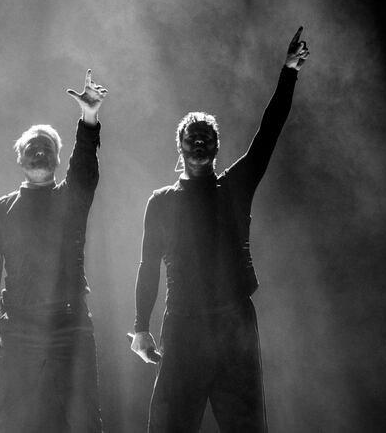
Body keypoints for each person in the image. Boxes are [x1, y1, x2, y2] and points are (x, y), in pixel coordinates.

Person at [130, 28, 310, 432]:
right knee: (169, 424)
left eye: (206, 137)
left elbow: (268, 133)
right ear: (180, 146)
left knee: (245, 424)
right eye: (192, 137)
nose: (199, 142)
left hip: (234, 324)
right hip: (183, 324)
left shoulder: (235, 187)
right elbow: (147, 266)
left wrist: (289, 72)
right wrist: (141, 326)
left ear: (216, 146)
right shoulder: (161, 202)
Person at [0, 70, 108, 432]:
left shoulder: (71, 199)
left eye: (47, 147)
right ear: (20, 159)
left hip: (71, 324)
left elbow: (85, 168)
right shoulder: (0, 210)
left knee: (83, 418)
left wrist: (89, 118)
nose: (39, 151)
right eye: (32, 147)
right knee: (13, 419)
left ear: (57, 159)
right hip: (20, 328)